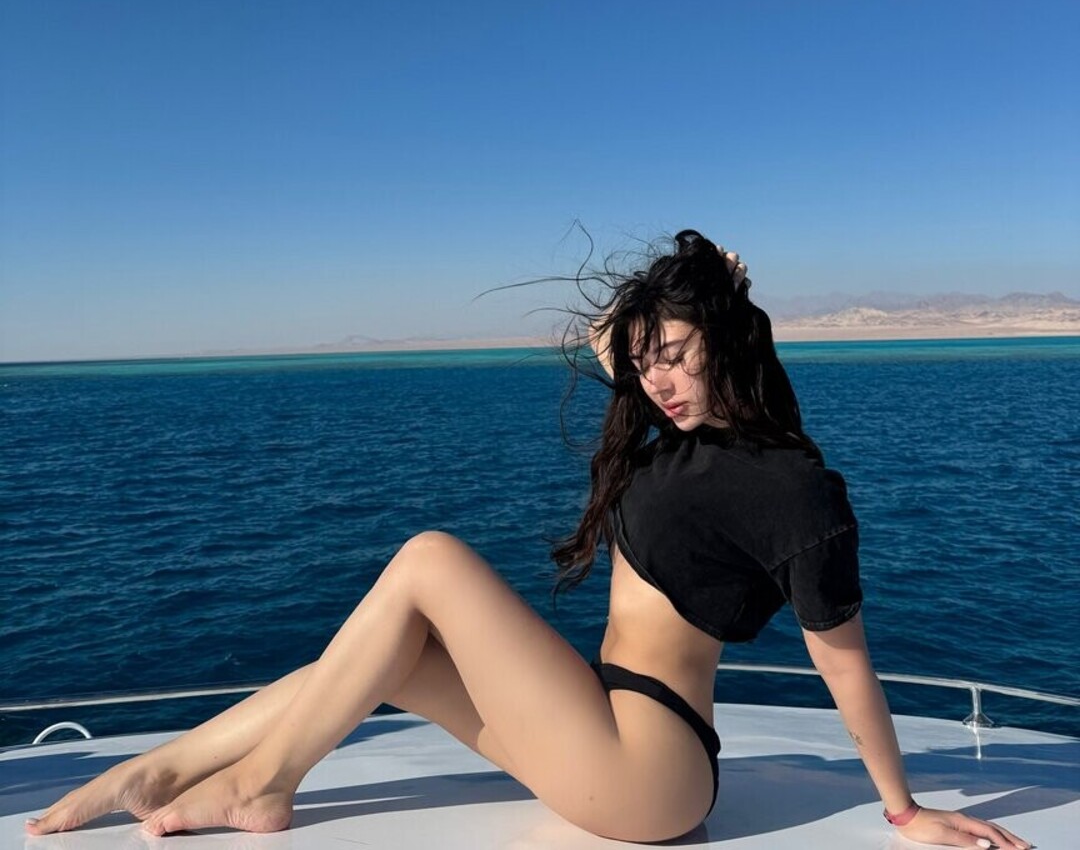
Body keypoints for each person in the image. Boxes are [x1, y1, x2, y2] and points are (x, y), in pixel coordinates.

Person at [27, 231, 1029, 846]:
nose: (658, 380)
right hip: (602, 725)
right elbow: (612, 337)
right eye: (648, 362)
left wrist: (905, 811)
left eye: (679, 354)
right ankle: (164, 769)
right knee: (376, 657)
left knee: (429, 561)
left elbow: (845, 666)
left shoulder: (792, 486)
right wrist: (702, 279)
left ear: (729, 339)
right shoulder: (674, 422)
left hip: (654, 769)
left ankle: (261, 786)